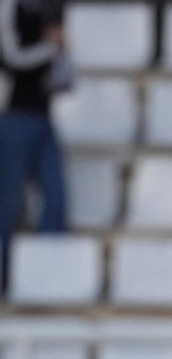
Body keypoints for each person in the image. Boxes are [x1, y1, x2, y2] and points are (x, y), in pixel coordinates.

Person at [0, 0, 68, 293]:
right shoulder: (9, 5)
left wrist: (62, 60)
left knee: (57, 199)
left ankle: (46, 281)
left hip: (45, 117)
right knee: (8, 205)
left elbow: (62, 74)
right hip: (16, 118)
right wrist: (49, 49)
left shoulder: (53, 6)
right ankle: (3, 281)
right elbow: (9, 57)